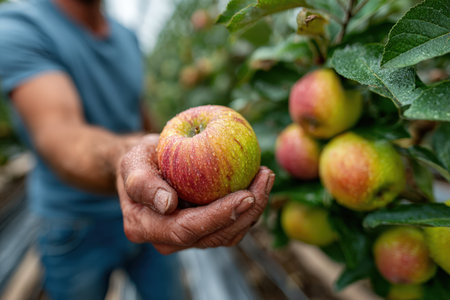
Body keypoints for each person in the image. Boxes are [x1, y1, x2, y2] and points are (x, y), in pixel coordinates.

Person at [0, 0, 275, 299]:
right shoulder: (21, 28)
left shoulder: (126, 36)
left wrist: (176, 165)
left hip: (150, 208)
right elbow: (63, 136)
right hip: (75, 223)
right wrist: (126, 159)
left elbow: (143, 117)